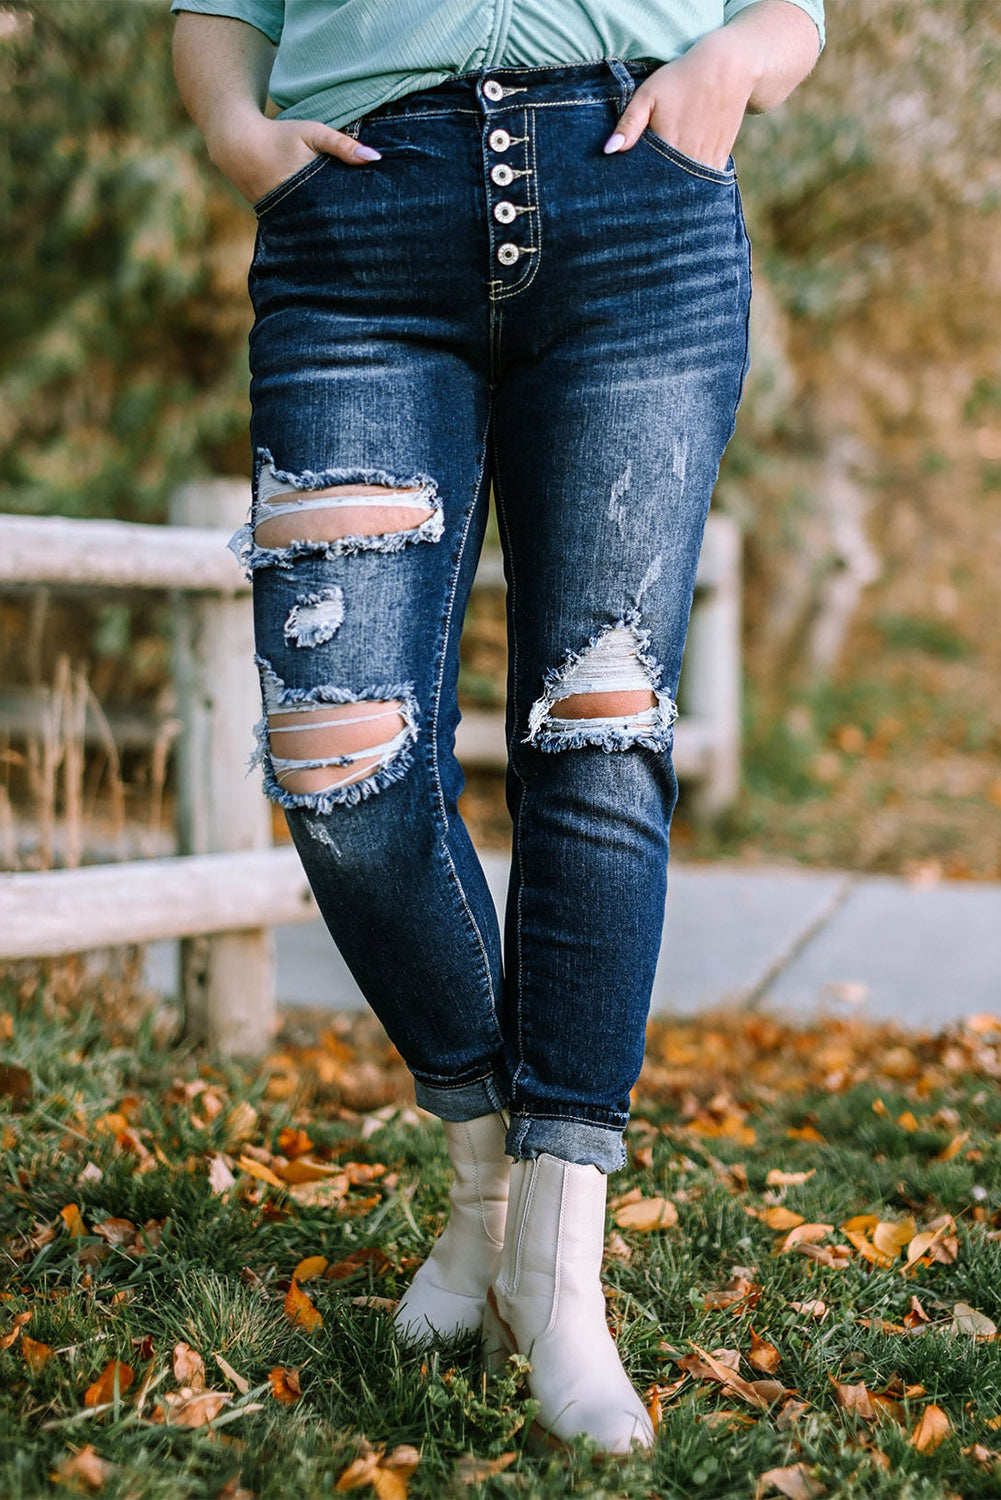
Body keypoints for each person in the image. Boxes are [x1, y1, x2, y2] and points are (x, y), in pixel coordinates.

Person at [170, 0, 824, 1457]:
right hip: (357, 228)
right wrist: (233, 128)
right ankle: (487, 1186)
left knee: (599, 735)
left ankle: (553, 1264)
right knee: (336, 762)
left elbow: (793, 12)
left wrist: (733, 63)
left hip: (637, 208)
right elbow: (212, 10)